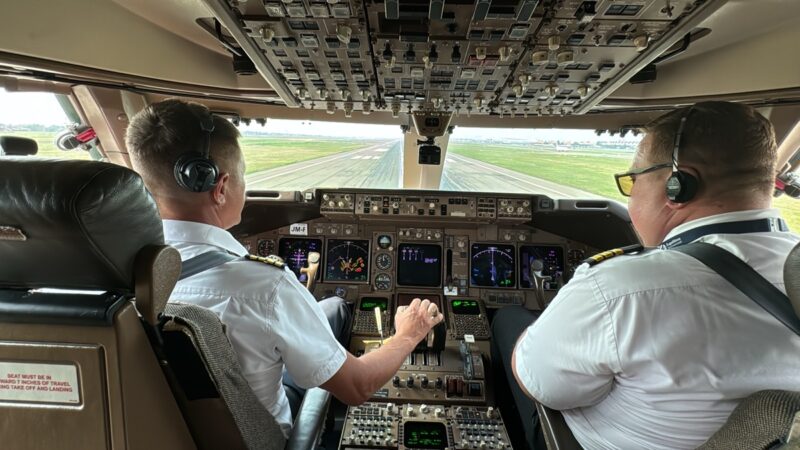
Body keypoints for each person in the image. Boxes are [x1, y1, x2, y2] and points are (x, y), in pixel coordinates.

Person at [125, 99, 443, 438]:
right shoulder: (266, 287)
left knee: (333, 308)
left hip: (170, 434)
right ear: (220, 189)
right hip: (257, 436)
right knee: (329, 330)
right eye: (243, 176)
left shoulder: (117, 275)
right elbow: (359, 387)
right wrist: (409, 333)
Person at [492, 101, 800, 449]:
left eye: (634, 179)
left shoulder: (619, 289)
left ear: (678, 185)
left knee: (508, 321)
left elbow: (540, 384)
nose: (632, 191)